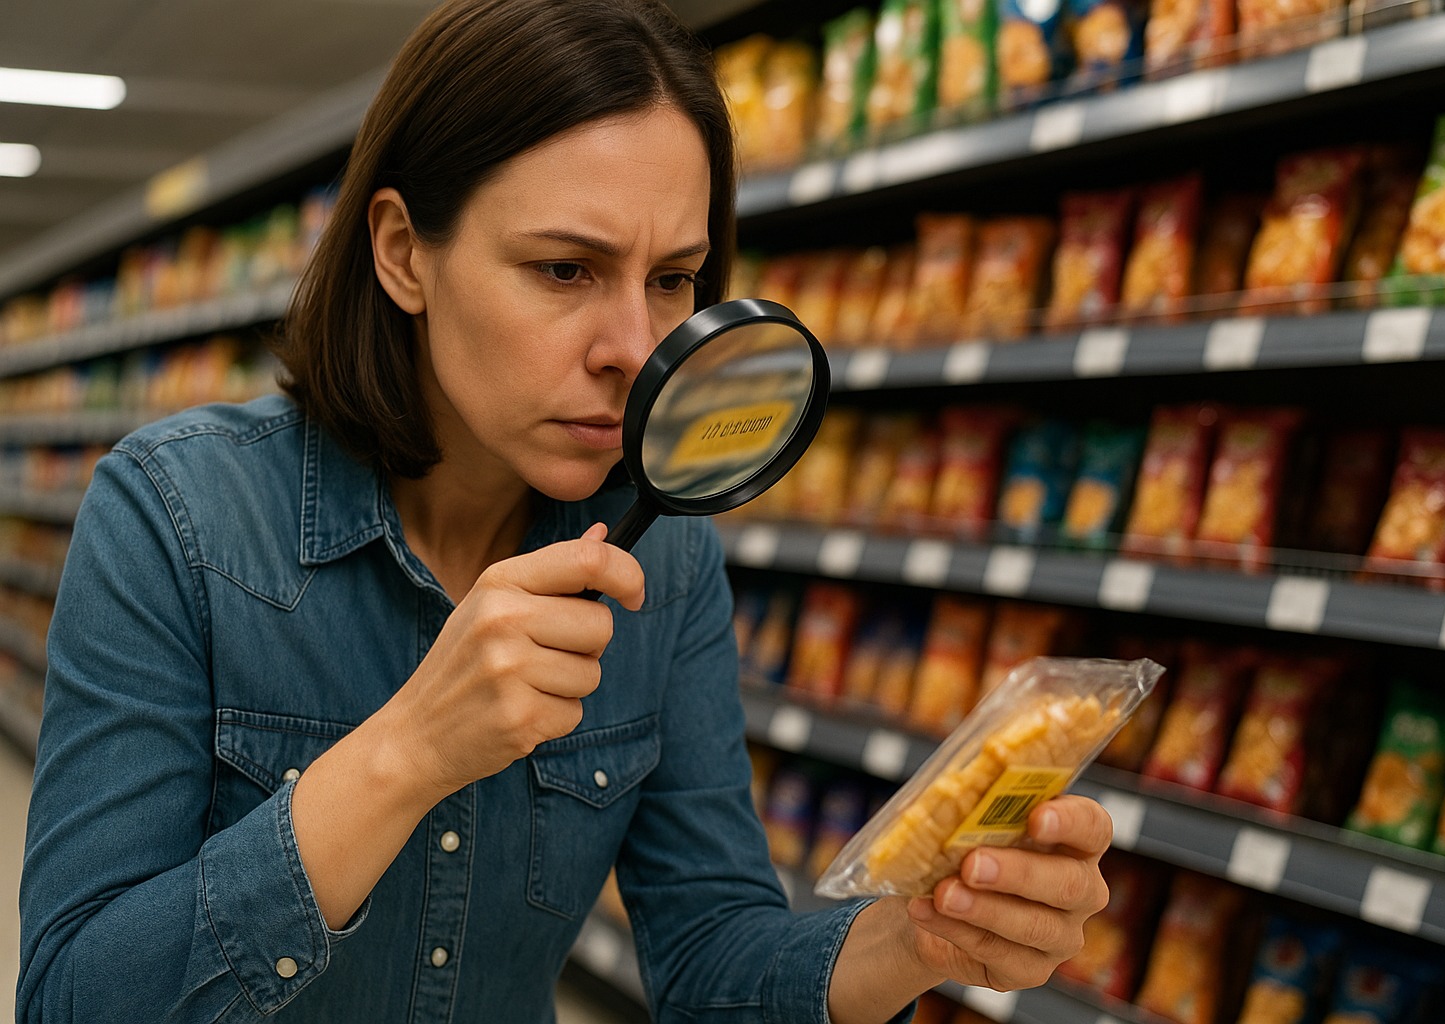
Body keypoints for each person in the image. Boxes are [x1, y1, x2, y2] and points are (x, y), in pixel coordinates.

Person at [17, 1, 1113, 1021]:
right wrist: (408, 750)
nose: (634, 350)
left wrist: (920, 939)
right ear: (404, 251)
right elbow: (71, 991)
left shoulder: (664, 557)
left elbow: (709, 956)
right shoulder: (176, 514)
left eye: (674, 278)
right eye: (564, 269)